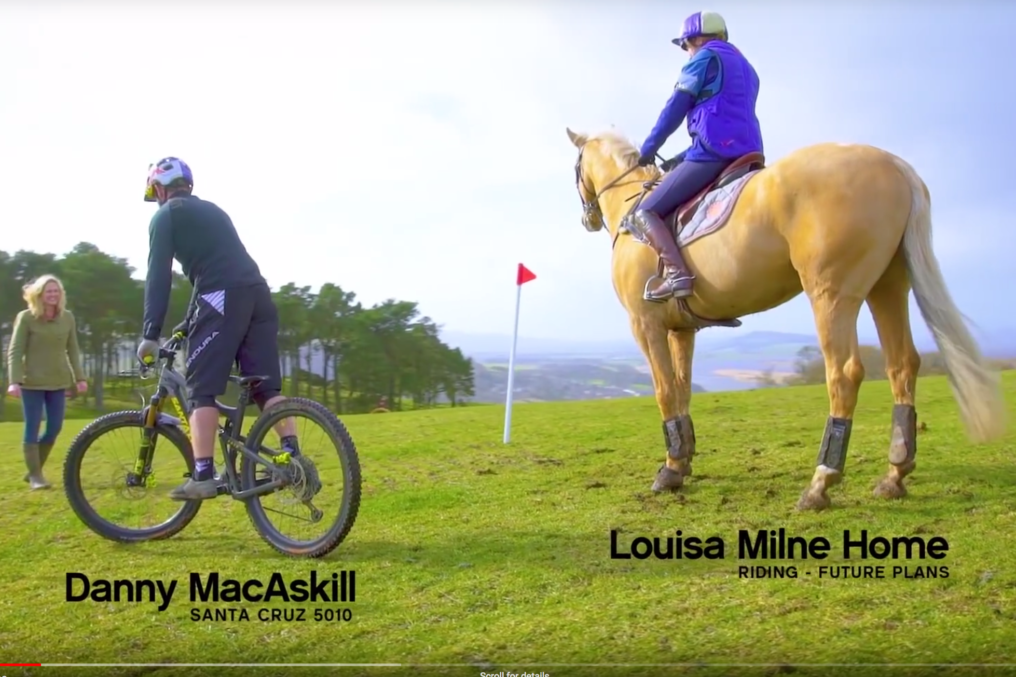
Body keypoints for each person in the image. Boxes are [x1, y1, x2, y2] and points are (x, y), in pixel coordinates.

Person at [137, 157, 318, 501]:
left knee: (201, 390)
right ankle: (292, 456)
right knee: (266, 389)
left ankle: (203, 473)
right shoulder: (214, 211)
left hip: (221, 296)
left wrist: (150, 332)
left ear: (159, 188)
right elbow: (218, 269)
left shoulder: (164, 216)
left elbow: (157, 276)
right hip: (257, 295)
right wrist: (189, 321)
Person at [628, 10, 764, 302]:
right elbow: (727, 117)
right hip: (749, 150)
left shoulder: (703, 58)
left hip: (716, 152)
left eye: (686, 45)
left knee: (645, 211)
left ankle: (677, 276)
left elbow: (676, 105)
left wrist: (649, 148)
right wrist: (681, 156)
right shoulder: (748, 68)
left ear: (697, 39)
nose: (686, 52)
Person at [6, 275, 88, 490]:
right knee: (32, 428)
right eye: (48, 291)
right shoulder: (26, 317)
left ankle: (33, 469)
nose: (53, 295)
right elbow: (15, 351)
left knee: (54, 428)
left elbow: (73, 349)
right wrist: (14, 381)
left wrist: (79, 378)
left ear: (60, 295)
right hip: (32, 382)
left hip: (58, 381)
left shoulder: (67, 317)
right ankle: (36, 476)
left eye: (56, 291)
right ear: (39, 294)